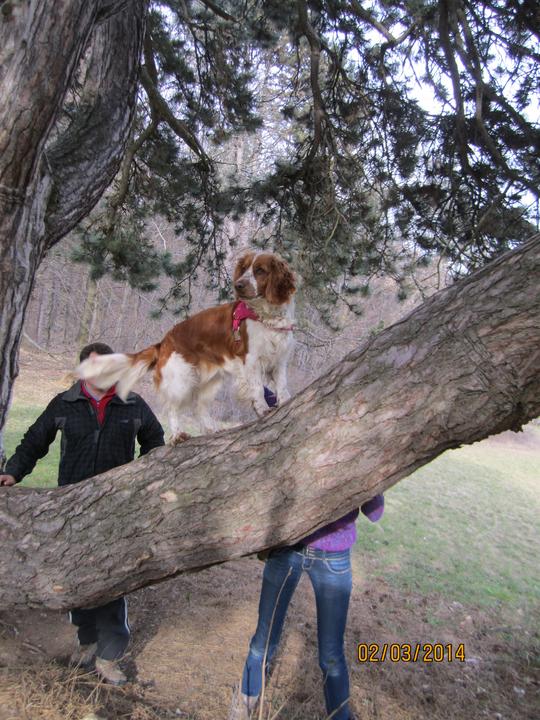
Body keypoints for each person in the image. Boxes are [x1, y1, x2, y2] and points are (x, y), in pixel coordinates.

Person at [0, 342, 165, 685]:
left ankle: (109, 656)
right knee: (77, 577)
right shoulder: (65, 403)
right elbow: (34, 441)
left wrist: (144, 480)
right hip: (72, 509)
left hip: (114, 509)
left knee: (111, 580)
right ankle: (86, 641)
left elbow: (155, 441)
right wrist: (13, 472)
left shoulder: (133, 403)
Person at [230, 389, 384, 720]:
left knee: (331, 654)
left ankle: (340, 715)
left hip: (334, 557)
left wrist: (375, 474)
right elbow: (272, 407)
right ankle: (245, 703)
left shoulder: (360, 450)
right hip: (288, 549)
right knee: (263, 640)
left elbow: (375, 512)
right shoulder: (299, 438)